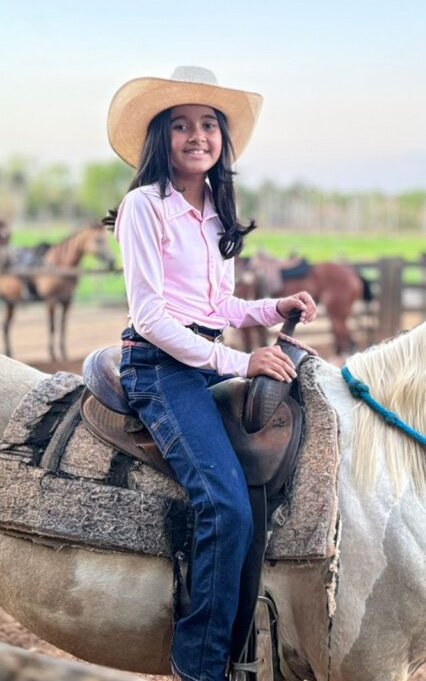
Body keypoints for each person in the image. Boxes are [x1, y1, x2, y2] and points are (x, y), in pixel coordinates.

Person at [100, 66, 317, 681]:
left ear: (222, 138)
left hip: (201, 360)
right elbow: (151, 315)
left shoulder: (217, 213)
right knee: (225, 505)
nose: (197, 136)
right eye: (180, 125)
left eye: (208, 125)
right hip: (160, 367)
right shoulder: (146, 207)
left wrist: (273, 308)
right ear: (159, 139)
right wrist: (239, 360)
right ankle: (199, 666)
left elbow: (217, 309)